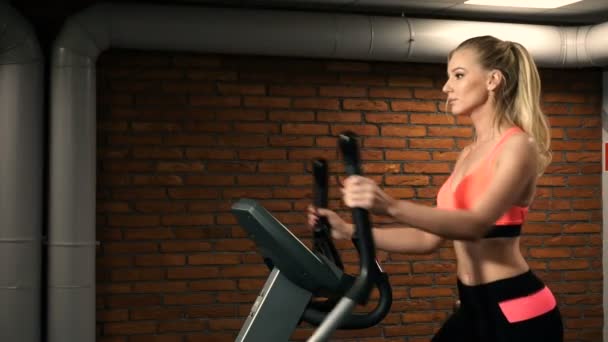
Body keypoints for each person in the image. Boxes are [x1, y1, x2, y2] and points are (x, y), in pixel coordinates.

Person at [308, 35, 563, 341]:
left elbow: (475, 225)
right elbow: (427, 238)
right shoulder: (468, 153)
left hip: (517, 310)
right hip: (473, 307)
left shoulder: (519, 145)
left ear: (493, 80)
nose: (446, 87)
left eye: (458, 75)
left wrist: (389, 205)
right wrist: (348, 230)